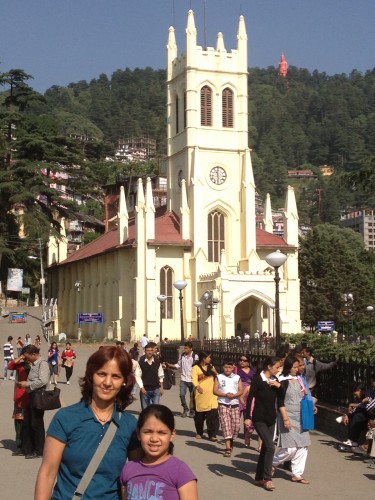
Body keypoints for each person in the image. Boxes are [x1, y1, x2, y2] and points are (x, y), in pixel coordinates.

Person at [35, 346, 141, 499]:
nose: (107, 382)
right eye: (102, 374)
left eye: (116, 376)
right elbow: (47, 473)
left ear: (125, 381)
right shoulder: (66, 418)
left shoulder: (129, 425)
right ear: (91, 375)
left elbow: (136, 477)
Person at [120, 404, 197, 500]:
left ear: (172, 435)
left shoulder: (180, 471)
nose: (154, 438)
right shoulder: (128, 469)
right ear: (138, 434)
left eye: (162, 433)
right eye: (148, 432)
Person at [245, 356, 289, 491]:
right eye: (277, 367)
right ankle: (267, 479)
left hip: (271, 419)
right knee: (270, 447)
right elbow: (250, 397)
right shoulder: (258, 379)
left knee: (266, 448)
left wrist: (279, 386)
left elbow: (281, 400)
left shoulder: (275, 380)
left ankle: (259, 477)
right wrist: (248, 417)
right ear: (269, 367)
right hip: (259, 419)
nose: (278, 370)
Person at [272, 356, 312, 484]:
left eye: (297, 367)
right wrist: (285, 418)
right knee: (290, 448)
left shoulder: (299, 379)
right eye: (294, 367)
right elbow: (279, 401)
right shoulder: (282, 381)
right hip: (287, 415)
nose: (297, 369)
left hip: (300, 416)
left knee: (303, 446)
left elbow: (305, 396)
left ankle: (297, 474)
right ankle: (272, 463)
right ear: (289, 368)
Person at [18, 345, 50, 459]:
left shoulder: (43, 364)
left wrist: (27, 384)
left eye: (28, 357)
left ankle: (39, 450)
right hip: (31, 396)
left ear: (34, 355)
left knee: (36, 424)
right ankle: (27, 449)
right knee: (27, 423)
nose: (27, 359)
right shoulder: (34, 364)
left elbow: (43, 380)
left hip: (38, 397)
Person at [214, 360, 243, 457]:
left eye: (229, 367)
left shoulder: (237, 377)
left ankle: (231, 440)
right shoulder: (219, 377)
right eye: (226, 367)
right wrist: (225, 395)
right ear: (223, 367)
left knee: (236, 426)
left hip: (234, 404)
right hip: (223, 404)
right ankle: (227, 448)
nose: (227, 369)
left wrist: (234, 395)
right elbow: (215, 390)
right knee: (226, 425)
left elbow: (241, 390)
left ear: (233, 368)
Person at [7, 348, 31, 455]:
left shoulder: (36, 365)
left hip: (32, 395)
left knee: (31, 422)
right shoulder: (20, 365)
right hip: (20, 396)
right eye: (25, 354)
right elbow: (9, 366)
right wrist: (21, 357)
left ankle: (30, 445)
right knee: (19, 422)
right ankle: (19, 446)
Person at [191, 351, 219, 441]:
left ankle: (212, 435)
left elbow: (218, 379)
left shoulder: (211, 367)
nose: (210, 359)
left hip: (212, 396)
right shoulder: (196, 368)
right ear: (204, 358)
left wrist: (215, 372)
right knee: (199, 416)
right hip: (201, 396)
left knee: (213, 416)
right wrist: (198, 387)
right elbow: (194, 379)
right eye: (208, 357)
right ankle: (199, 432)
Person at [167, 342, 198, 418]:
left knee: (192, 396)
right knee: (181, 395)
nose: (185, 349)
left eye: (187, 348)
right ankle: (185, 408)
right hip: (183, 378)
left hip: (192, 379)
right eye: (185, 348)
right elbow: (178, 365)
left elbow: (198, 367)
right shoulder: (182, 356)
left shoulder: (195, 356)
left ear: (191, 348)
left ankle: (192, 410)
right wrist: (170, 365)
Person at [234, 354, 256, 447]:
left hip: (250, 395)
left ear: (248, 362)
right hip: (239, 393)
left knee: (248, 415)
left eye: (244, 360)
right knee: (237, 415)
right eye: (240, 360)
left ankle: (246, 435)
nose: (242, 362)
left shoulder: (252, 371)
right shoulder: (236, 370)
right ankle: (234, 431)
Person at [135, 343, 164, 409]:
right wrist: (141, 387)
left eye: (151, 350)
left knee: (155, 409)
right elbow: (137, 375)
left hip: (156, 389)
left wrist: (161, 387)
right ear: (145, 351)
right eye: (148, 350)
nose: (150, 352)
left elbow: (161, 375)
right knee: (145, 410)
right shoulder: (141, 361)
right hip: (145, 389)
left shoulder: (157, 361)